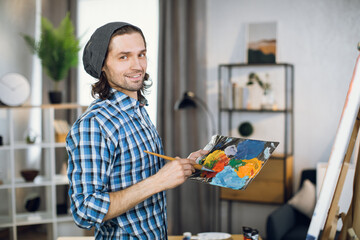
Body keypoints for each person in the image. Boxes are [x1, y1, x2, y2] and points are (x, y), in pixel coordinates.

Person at [66, 22, 208, 239]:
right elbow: (84, 211)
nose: (138, 66)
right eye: (124, 57)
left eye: (141, 54)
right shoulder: (94, 124)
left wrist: (185, 166)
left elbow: (137, 175)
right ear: (102, 65)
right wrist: (158, 181)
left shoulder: (138, 109)